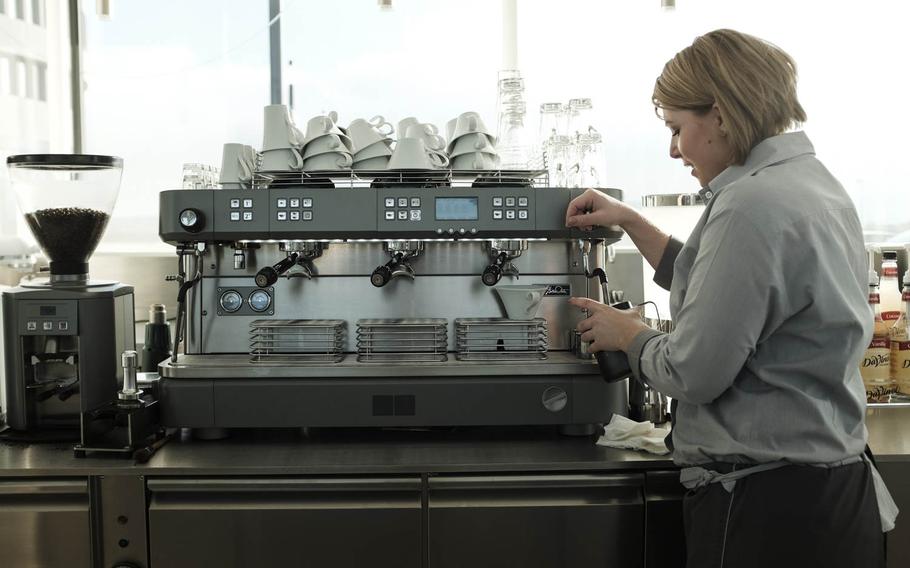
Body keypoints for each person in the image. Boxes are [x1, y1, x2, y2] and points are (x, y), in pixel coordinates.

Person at [565, 29, 896, 567]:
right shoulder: (811, 184)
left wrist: (631, 337)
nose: (673, 149)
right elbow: (733, 288)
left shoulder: (749, 205)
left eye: (677, 128)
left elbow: (695, 372)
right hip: (831, 496)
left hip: (768, 509)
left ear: (719, 114)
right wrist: (629, 223)